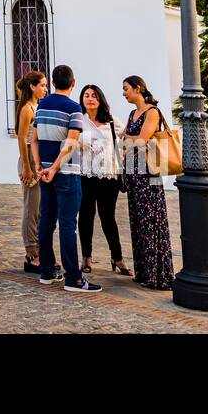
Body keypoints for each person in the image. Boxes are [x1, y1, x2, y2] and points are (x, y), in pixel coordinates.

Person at [30, 64, 101, 293]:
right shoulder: (74, 109)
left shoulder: (41, 106)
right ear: (73, 83)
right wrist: (56, 167)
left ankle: (47, 271)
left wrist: (40, 165)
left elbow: (33, 140)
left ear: (52, 83)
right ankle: (74, 278)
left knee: (46, 222)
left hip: (46, 172)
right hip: (66, 173)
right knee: (68, 225)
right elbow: (70, 143)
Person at [121, 75, 174, 290]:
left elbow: (141, 140)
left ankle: (157, 274)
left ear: (138, 88)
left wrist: (126, 140)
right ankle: (143, 271)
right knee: (138, 222)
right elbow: (128, 139)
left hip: (148, 173)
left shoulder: (152, 112)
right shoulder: (133, 114)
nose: (124, 93)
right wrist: (127, 141)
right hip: (134, 173)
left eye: (126, 89)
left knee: (151, 220)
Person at [77, 84, 131, 277]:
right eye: (86, 95)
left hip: (109, 175)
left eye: (94, 96)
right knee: (86, 216)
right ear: (82, 99)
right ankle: (86, 257)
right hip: (85, 175)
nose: (90, 99)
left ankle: (117, 258)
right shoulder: (78, 120)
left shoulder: (111, 121)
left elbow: (124, 139)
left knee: (108, 217)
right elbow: (68, 141)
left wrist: (119, 155)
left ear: (100, 100)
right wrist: (78, 144)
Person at [15, 70, 50, 275]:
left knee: (38, 208)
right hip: (28, 157)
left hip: (37, 158)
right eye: (43, 85)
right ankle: (31, 253)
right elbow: (21, 138)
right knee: (31, 208)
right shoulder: (27, 109)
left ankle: (37, 250)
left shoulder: (38, 106)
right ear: (32, 87)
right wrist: (27, 166)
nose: (45, 89)